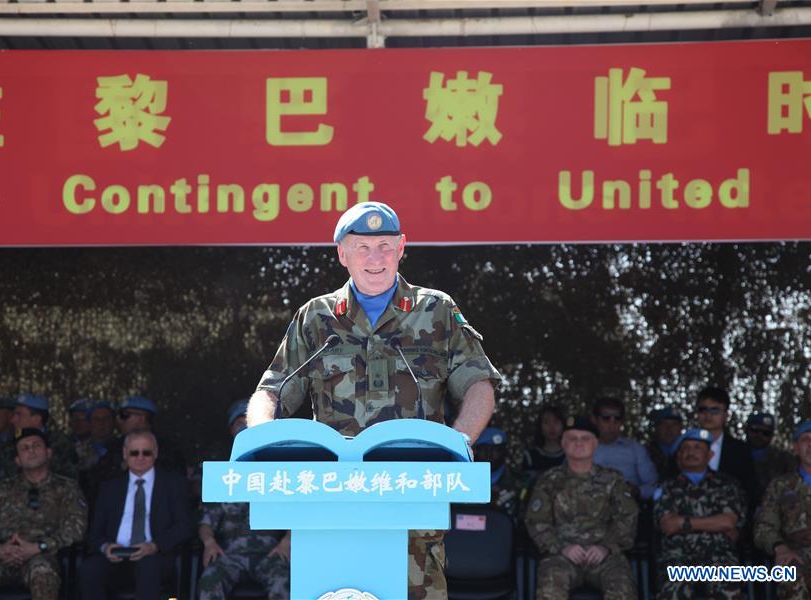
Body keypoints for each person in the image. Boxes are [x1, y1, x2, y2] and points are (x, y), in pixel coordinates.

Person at [247, 201, 500, 600]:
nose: (375, 258)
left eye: (385, 245)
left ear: (402, 248)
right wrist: (259, 441)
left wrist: (459, 444)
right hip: (331, 506)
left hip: (413, 502)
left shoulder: (436, 311)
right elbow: (273, 391)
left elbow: (478, 385)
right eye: (362, 247)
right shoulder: (316, 318)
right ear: (342, 254)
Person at [0, 428, 88, 600]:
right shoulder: (1, 488)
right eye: (24, 448)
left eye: (36, 445)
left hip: (40, 557)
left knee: (43, 573)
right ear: (17, 460)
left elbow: (76, 529)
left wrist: (36, 548)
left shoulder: (67, 488)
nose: (31, 450)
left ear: (48, 453)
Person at [525, 416, 639, 600]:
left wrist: (606, 547)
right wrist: (561, 547)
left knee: (623, 588)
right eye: (572, 438)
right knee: (550, 588)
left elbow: (628, 516)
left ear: (595, 444)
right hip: (562, 557)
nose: (578, 443)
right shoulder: (548, 480)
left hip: (605, 557)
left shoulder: (613, 479)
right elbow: (536, 521)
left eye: (585, 438)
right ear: (563, 443)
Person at [79, 429, 192, 599]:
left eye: (146, 452)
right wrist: (106, 547)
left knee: (148, 565)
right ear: (125, 454)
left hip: (154, 556)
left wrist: (154, 546)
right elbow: (94, 532)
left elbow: (185, 526)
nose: (140, 457)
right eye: (134, 453)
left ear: (156, 453)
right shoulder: (110, 487)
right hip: (116, 557)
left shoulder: (173, 484)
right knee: (90, 568)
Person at [197, 402, 289, 600]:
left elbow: (295, 514)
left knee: (283, 581)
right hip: (230, 555)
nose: (246, 428)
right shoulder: (223, 475)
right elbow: (206, 522)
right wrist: (209, 542)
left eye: (252, 423)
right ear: (232, 429)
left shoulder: (277, 472)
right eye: (240, 423)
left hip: (270, 554)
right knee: (209, 581)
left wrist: (287, 541)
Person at [654, 428, 747, 599]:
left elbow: (728, 522)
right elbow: (668, 524)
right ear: (678, 456)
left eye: (698, 447)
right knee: (673, 591)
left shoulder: (727, 485)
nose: (691, 452)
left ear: (710, 455)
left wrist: (683, 523)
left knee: (728, 590)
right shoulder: (666, 487)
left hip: (720, 555)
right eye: (686, 448)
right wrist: (713, 523)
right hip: (678, 556)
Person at [754, 419, 811, 599]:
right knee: (789, 577)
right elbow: (763, 527)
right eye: (805, 439)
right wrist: (780, 548)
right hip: (795, 556)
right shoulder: (779, 486)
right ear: (795, 448)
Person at [695, 386, 760, 512]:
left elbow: (750, 492)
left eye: (715, 410)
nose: (708, 415)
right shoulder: (683, 448)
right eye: (703, 409)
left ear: (726, 415)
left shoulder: (741, 451)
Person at [591, 397, 658, 501]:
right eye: (606, 418)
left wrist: (637, 491)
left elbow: (654, 487)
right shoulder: (581, 447)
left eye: (617, 419)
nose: (612, 424)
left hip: (627, 506)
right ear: (594, 420)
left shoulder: (635, 449)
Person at [2, 393, 79, 479]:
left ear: (36, 419)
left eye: (19, 415)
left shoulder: (60, 443)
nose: (13, 420)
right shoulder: (10, 444)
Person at [474, 427, 525, 524]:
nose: (489, 454)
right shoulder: (462, 481)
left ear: (504, 452)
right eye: (484, 449)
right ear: (475, 451)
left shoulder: (519, 483)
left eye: (495, 449)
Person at [746, 412, 797, 494]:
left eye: (766, 433)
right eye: (755, 430)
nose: (760, 435)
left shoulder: (784, 460)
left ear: (771, 436)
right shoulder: (735, 454)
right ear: (747, 429)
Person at [521, 404, 566, 479]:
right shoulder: (531, 456)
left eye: (556, 422)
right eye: (546, 422)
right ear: (540, 427)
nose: (552, 427)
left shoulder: (570, 454)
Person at [645, 406, 684, 480]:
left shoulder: (688, 450)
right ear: (657, 428)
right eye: (664, 424)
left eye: (674, 424)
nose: (669, 428)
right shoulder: (645, 452)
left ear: (681, 427)